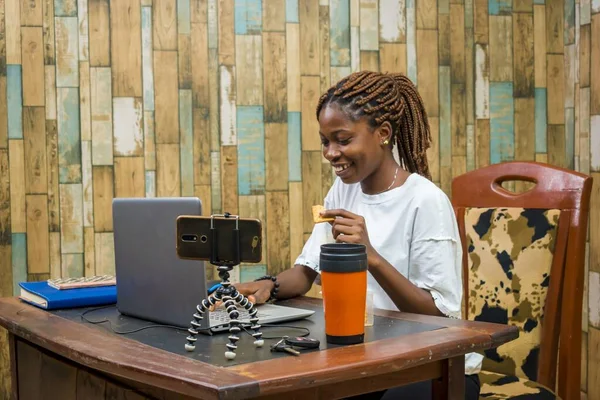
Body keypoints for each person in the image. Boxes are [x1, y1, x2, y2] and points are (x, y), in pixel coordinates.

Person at [234, 71, 482, 399]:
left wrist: (372, 256)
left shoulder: (425, 200)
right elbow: (307, 271)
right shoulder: (343, 191)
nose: (331, 153)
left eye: (343, 139)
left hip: (435, 366)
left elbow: (439, 315)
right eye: (325, 141)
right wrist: (268, 285)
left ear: (382, 133)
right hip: (368, 358)